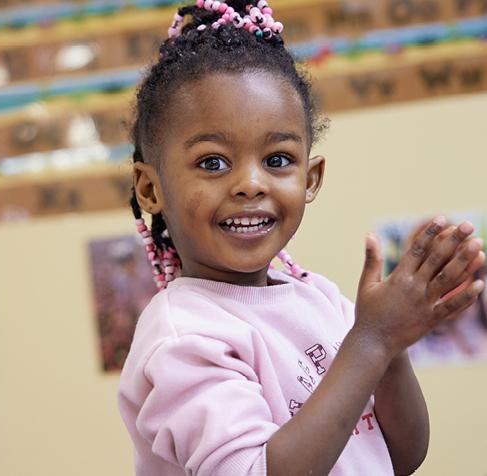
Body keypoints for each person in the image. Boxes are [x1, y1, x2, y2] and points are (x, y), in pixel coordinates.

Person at [116, 1, 486, 475]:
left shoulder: (321, 299)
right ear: (150, 189)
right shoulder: (183, 335)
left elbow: (403, 455)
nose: (251, 184)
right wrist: (371, 342)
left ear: (311, 179)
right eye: (213, 162)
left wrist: (391, 349)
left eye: (277, 160)